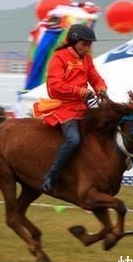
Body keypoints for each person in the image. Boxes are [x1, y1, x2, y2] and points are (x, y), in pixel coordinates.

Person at [36, 24, 108, 194]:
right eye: (85, 44)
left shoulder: (87, 59)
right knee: (74, 139)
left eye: (90, 44)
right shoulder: (59, 58)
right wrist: (80, 91)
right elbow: (54, 86)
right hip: (65, 107)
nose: (87, 48)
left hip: (83, 106)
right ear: (74, 41)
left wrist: (101, 89)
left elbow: (95, 78)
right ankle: (52, 176)